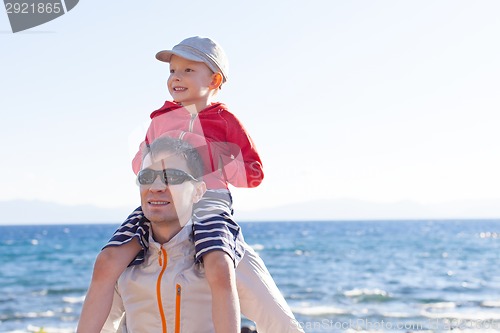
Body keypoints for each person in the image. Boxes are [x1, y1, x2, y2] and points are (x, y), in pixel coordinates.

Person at [78, 36, 303, 333]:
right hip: (160, 201)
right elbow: (140, 166)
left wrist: (211, 156)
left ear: (214, 79)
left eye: (187, 70)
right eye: (172, 71)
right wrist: (154, 158)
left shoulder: (225, 120)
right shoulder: (160, 120)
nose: (176, 78)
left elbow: (254, 174)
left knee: (219, 267)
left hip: (208, 204)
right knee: (108, 259)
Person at [100, 136, 303, 333]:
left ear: (198, 191)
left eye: (172, 177)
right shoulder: (125, 258)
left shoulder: (227, 254)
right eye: (146, 177)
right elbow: (102, 327)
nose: (156, 187)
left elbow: (282, 326)